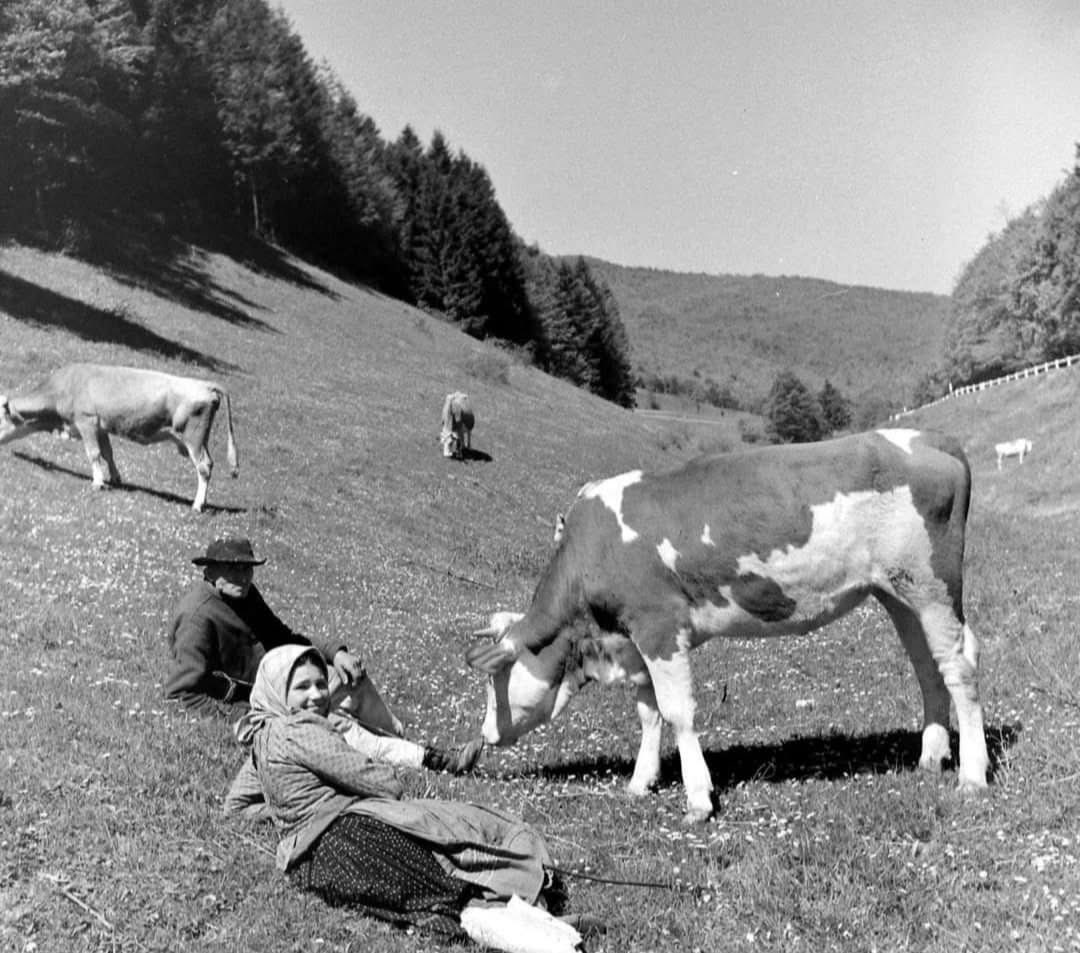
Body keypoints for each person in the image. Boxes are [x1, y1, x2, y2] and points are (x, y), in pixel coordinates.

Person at [224, 645, 599, 949]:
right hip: (352, 838)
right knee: (451, 862)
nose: (317, 695)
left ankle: (537, 926)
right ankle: (548, 934)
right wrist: (333, 797)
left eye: (320, 684)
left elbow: (236, 806)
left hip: (308, 866)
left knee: (421, 901)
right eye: (302, 687)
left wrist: (288, 812)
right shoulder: (303, 729)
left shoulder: (262, 734)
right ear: (278, 690)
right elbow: (383, 785)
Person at [165, 536, 482, 774]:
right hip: (262, 703)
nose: (244, 577)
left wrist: (336, 653)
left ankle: (400, 739)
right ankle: (433, 760)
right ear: (210, 571)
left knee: (352, 675)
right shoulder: (199, 616)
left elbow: (284, 637)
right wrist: (240, 717)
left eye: (247, 568)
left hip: (288, 680)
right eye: (234, 570)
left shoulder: (244, 596)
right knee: (332, 723)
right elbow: (182, 693)